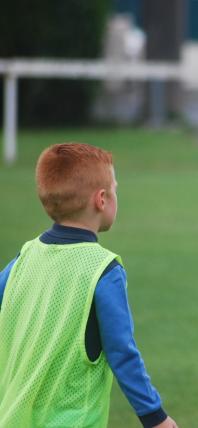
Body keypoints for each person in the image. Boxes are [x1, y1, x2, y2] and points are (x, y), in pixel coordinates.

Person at [0, 143, 178, 428]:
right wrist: (154, 417)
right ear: (102, 200)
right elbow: (122, 350)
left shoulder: (21, 260)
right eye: (115, 189)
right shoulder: (104, 270)